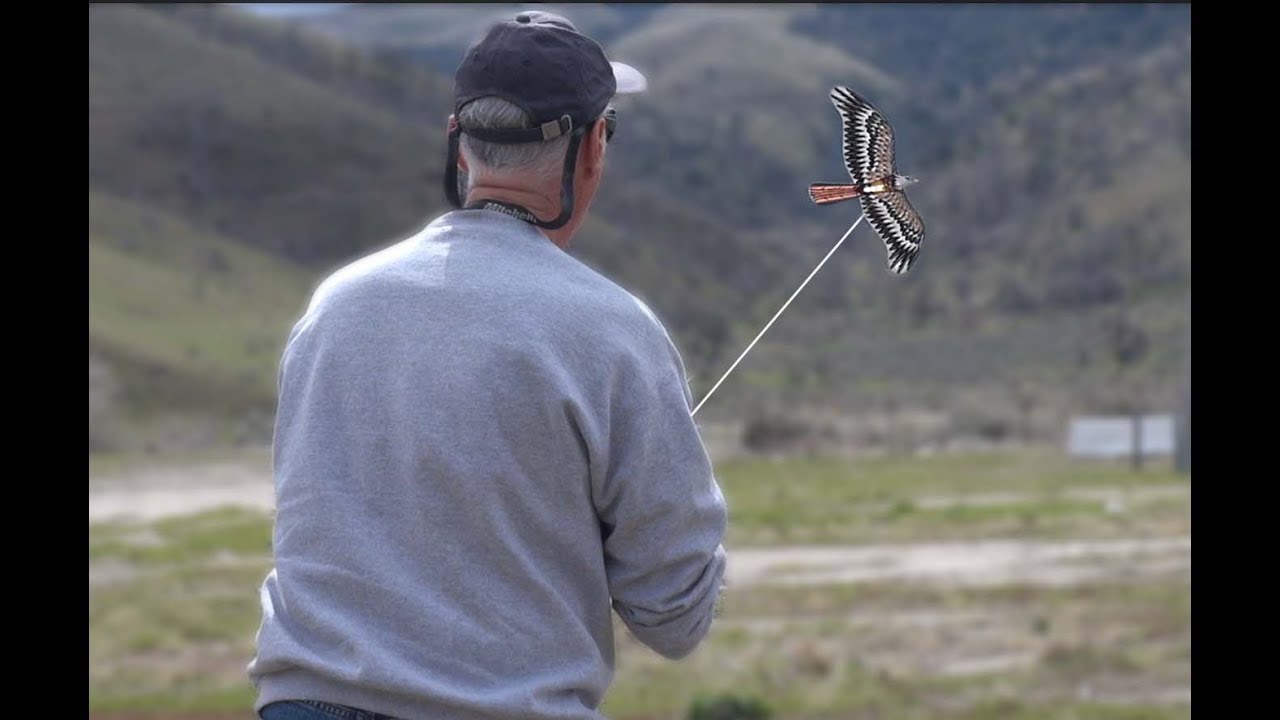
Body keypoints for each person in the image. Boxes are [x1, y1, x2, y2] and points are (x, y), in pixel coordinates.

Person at [248, 11, 728, 720]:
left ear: (462, 145)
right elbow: (676, 618)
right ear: (595, 144)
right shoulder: (613, 330)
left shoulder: (334, 305)